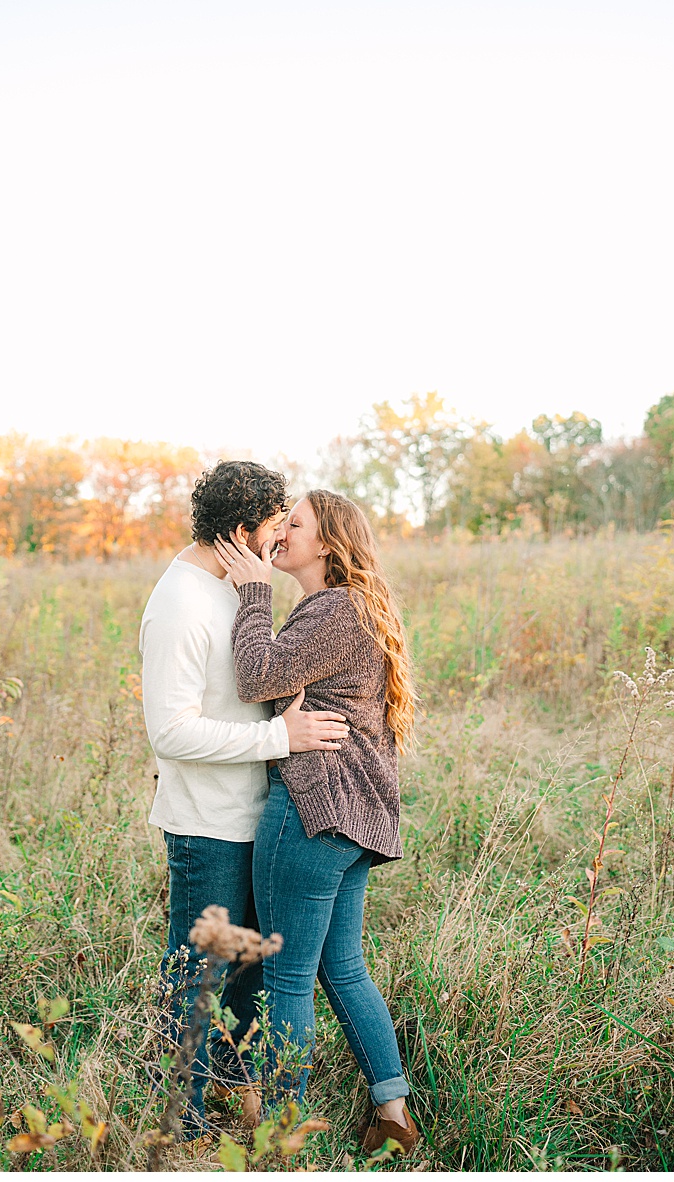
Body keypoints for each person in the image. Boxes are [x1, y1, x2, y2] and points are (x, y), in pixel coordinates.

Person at [140, 460, 350, 1139]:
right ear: (237, 532)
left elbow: (254, 674)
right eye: (271, 528)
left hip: (251, 815)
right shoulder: (179, 604)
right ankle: (183, 1123)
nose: (279, 539)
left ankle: (232, 1097)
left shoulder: (232, 586)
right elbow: (170, 732)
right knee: (196, 978)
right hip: (207, 825)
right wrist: (276, 735)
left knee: (244, 976)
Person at [214, 489, 422, 1156]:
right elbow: (278, 683)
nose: (279, 534)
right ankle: (393, 1112)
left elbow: (255, 676)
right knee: (344, 970)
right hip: (353, 823)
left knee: (288, 978)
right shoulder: (349, 608)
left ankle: (283, 1126)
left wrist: (252, 594)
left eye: (293, 524)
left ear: (326, 543)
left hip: (310, 812)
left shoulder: (332, 610)